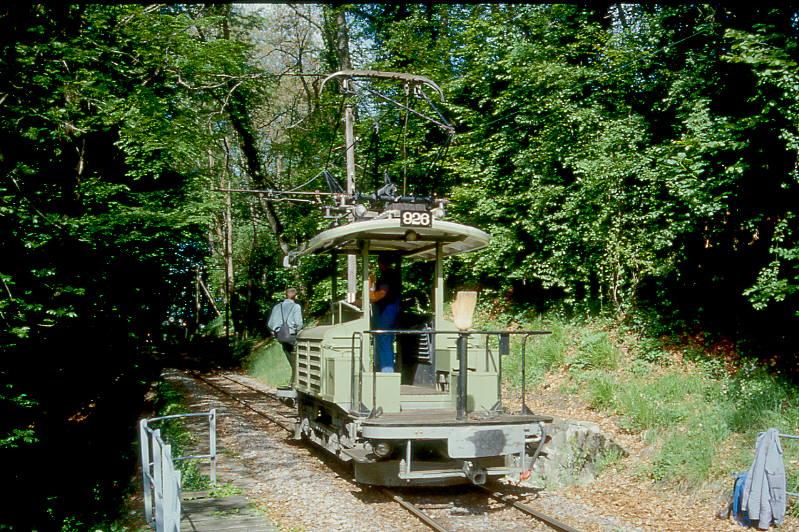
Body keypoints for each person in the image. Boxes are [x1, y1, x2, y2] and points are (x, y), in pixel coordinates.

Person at [369, 254, 401, 372]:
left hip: (387, 313)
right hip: (390, 312)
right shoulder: (392, 274)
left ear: (380, 263)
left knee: (384, 340)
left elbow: (382, 293)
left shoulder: (388, 275)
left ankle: (387, 372)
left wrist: (370, 298)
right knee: (384, 340)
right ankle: (382, 369)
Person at [268, 288, 303, 381]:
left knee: (291, 358)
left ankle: (293, 379)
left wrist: (276, 331)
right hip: (292, 336)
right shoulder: (296, 307)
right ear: (295, 296)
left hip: (281, 336)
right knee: (300, 359)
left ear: (285, 295)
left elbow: (270, 324)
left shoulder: (277, 307)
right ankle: (296, 379)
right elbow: (299, 324)